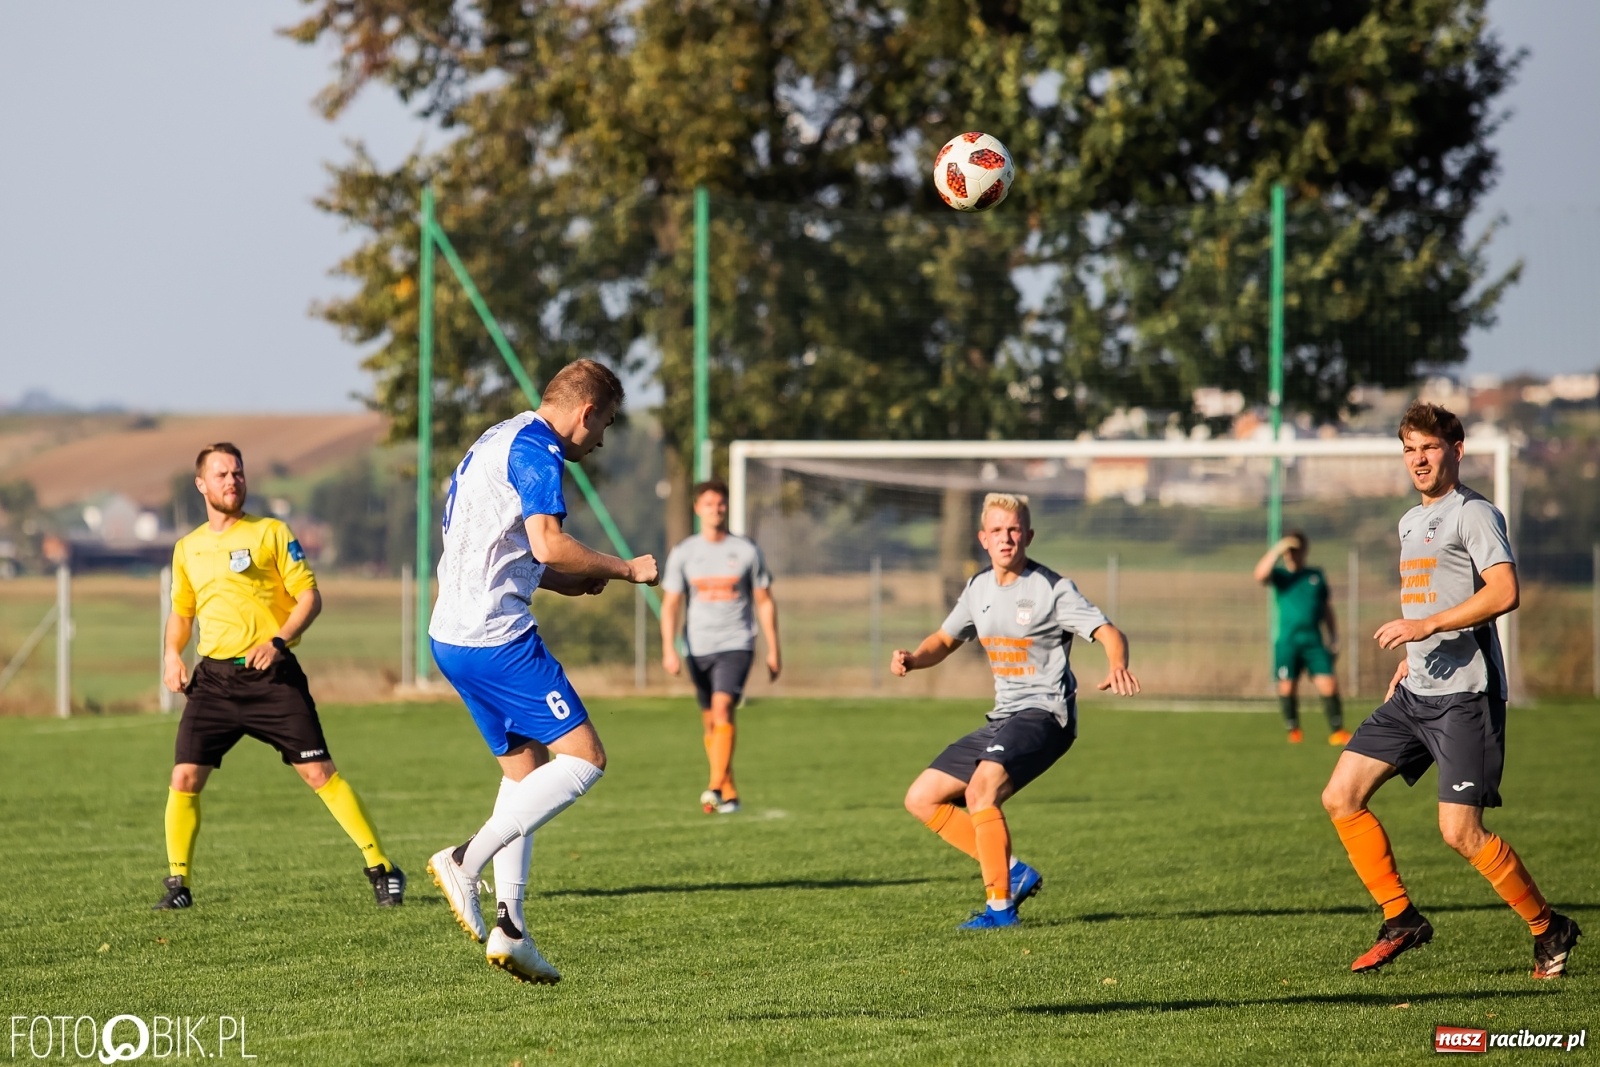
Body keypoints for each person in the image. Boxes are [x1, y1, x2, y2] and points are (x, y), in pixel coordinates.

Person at [1321, 402, 1580, 978]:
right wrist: (1413, 654)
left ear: (1456, 451)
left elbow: (1504, 592)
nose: (1418, 459)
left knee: (1460, 832)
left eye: (1429, 447)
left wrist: (1427, 627)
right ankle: (1400, 917)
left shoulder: (1474, 513)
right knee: (1340, 797)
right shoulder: (1410, 522)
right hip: (1416, 691)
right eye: (1409, 449)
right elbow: (1435, 596)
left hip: (1466, 697)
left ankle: (1549, 927)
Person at [425, 359, 659, 984]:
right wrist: (625, 569)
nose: (601, 439)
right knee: (585, 759)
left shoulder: (499, 436)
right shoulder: (538, 450)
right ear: (586, 412)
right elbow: (549, 541)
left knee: (524, 772)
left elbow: (507, 547)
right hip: (497, 638)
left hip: (451, 636)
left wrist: (562, 581)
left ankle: (512, 928)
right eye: (606, 424)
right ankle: (464, 859)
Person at [155, 443, 403, 911]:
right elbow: (182, 613)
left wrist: (278, 641)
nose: (232, 481)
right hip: (214, 681)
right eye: (222, 474)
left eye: (238, 473)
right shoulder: (187, 548)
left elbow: (309, 597)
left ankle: (382, 869)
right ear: (201, 484)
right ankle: (177, 885)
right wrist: (171, 654)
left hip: (272, 677)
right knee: (184, 776)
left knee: (318, 772)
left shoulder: (271, 532)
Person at [892, 492, 1140, 928]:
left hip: (1046, 715)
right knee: (921, 798)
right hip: (1004, 717)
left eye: (1014, 530)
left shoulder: (1052, 588)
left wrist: (1116, 664)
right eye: (997, 531)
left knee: (981, 791)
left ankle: (1000, 910)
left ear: (1028, 535)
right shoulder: (978, 588)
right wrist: (913, 658)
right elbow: (944, 640)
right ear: (983, 538)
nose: (1006, 538)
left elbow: (1108, 631)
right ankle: (1012, 872)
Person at [660, 478, 781, 814]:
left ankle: (713, 785)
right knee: (711, 722)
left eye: (721, 503)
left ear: (727, 507)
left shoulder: (746, 551)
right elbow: (671, 604)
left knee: (723, 707)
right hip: (698, 647)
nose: (716, 509)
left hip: (736, 643)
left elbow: (765, 601)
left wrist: (774, 649)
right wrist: (669, 648)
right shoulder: (684, 553)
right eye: (709, 504)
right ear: (697, 509)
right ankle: (729, 791)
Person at [1252, 531, 1350, 745]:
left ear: (1305, 550)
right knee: (1287, 686)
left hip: (1313, 640)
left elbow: (1326, 609)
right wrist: (1277, 549)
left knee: (1329, 684)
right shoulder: (1281, 576)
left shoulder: (1315, 576)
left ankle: (1338, 731)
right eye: (1289, 551)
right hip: (1287, 641)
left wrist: (1334, 637)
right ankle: (1294, 730)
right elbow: (1259, 575)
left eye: (1296, 550)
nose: (1292, 555)